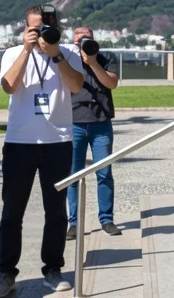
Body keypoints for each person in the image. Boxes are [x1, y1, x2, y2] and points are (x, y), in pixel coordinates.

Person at [0, 6, 84, 297]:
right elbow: (8, 86)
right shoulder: (13, 53)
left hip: (58, 141)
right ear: (25, 29)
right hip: (20, 143)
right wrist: (28, 50)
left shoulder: (68, 52)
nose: (43, 32)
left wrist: (55, 53)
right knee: (11, 213)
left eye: (47, 26)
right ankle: (6, 274)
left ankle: (53, 269)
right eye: (36, 27)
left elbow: (76, 86)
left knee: (55, 212)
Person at [65, 26, 122, 241]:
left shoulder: (106, 58)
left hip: (101, 123)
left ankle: (106, 219)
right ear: (73, 41)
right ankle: (74, 223)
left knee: (104, 173)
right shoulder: (67, 60)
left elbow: (111, 83)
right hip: (74, 123)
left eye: (87, 39)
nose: (83, 43)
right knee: (73, 175)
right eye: (79, 40)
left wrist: (93, 62)